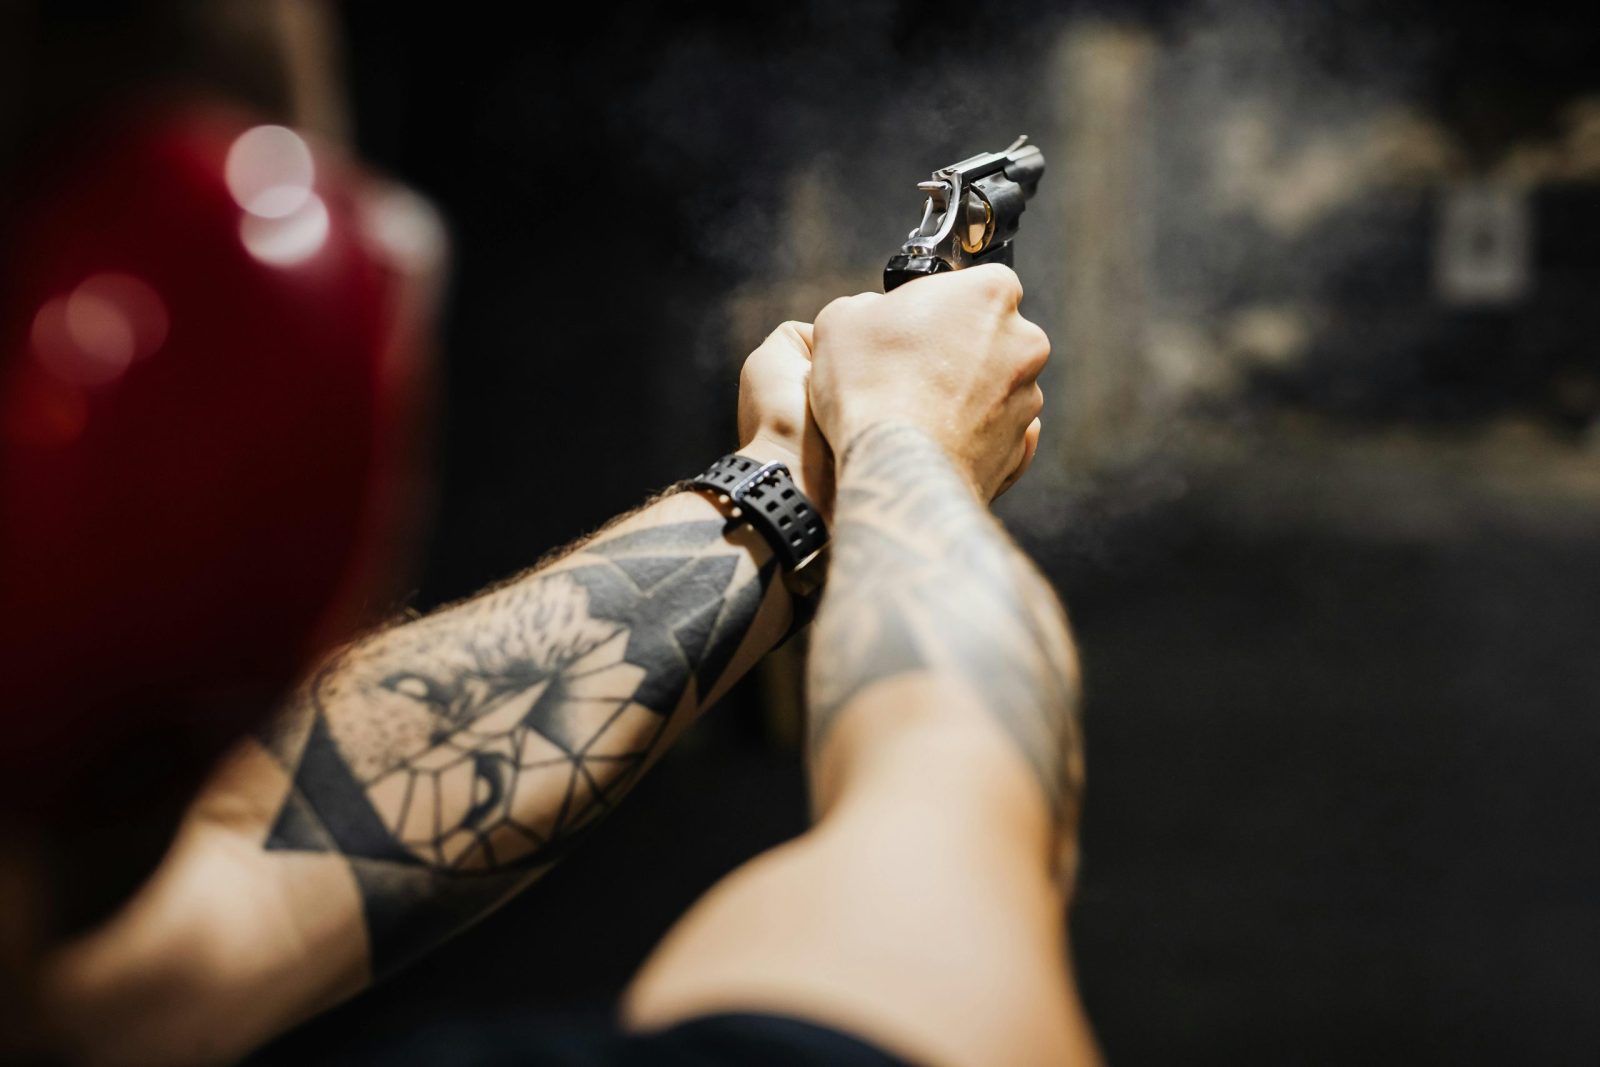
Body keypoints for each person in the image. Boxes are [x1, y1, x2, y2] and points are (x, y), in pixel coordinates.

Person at [23, 260, 1099, 1066]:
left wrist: (781, 484)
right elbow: (951, 817)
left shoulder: (64, 1001)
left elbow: (267, 849)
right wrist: (906, 437)